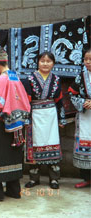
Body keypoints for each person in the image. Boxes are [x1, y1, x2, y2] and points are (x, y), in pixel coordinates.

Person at [0, 48, 30, 201]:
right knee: (13, 156)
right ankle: (14, 190)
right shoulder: (14, 76)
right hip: (17, 124)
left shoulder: (1, 79)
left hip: (2, 123)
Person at [22, 51, 66, 189]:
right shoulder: (29, 79)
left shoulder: (56, 79)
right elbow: (26, 101)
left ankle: (54, 179)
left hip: (51, 116)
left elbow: (59, 100)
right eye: (42, 61)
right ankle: (34, 178)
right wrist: (27, 119)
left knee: (52, 142)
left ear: (53, 63)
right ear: (38, 62)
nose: (45, 64)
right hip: (35, 115)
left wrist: (61, 118)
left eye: (48, 61)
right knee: (34, 144)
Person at [68, 48, 91, 188]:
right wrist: (82, 102)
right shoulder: (81, 76)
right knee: (85, 142)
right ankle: (87, 178)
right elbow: (72, 94)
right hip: (85, 116)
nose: (87, 62)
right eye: (85, 59)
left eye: (90, 59)